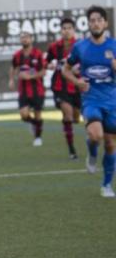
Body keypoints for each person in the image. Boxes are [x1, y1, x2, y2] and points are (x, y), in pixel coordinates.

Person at [63, 5, 116, 197]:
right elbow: (65, 70)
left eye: (99, 20)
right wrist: (77, 82)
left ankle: (106, 185)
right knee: (96, 135)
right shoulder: (80, 47)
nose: (95, 23)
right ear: (89, 24)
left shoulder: (114, 46)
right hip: (91, 99)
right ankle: (92, 152)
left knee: (110, 145)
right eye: (92, 20)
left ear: (105, 23)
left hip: (112, 101)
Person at [46, 18, 82, 159]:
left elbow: (86, 62)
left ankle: (72, 122)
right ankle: (72, 150)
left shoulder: (80, 45)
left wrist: (79, 70)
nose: (66, 31)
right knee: (67, 115)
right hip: (60, 87)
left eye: (69, 28)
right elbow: (47, 61)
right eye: (64, 28)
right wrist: (49, 65)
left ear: (73, 30)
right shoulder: (54, 47)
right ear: (60, 30)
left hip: (77, 86)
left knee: (76, 118)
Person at [9, 30, 47, 147]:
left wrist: (30, 76)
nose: (24, 39)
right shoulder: (17, 55)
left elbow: (43, 71)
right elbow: (13, 67)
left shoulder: (38, 54)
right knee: (24, 115)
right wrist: (11, 79)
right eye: (22, 38)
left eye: (26, 37)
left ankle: (38, 138)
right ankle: (33, 124)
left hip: (38, 89)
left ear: (31, 39)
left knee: (38, 114)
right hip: (23, 90)